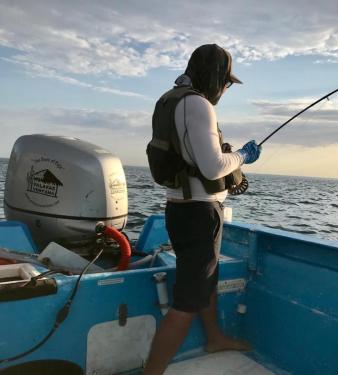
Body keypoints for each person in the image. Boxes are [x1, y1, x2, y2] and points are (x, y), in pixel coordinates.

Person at [144, 44, 261, 374]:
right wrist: (243, 156)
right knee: (187, 302)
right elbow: (212, 168)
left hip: (180, 208)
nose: (225, 89)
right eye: (226, 81)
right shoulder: (199, 104)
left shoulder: (170, 99)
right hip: (198, 214)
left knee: (206, 280)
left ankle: (214, 338)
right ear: (215, 76)